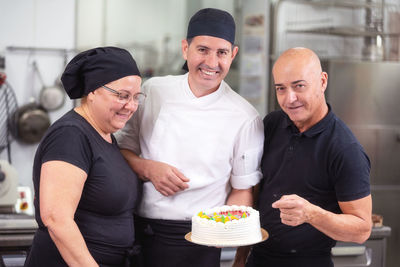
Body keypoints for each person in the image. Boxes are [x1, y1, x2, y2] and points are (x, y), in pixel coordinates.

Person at [115, 8, 264, 267]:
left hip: (199, 241)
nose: (211, 63)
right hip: (137, 229)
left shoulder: (245, 117)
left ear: (234, 55)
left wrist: (226, 231)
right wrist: (148, 168)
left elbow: (242, 189)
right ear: (185, 49)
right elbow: (120, 151)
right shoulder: (154, 91)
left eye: (222, 53)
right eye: (202, 50)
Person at [233, 47, 372, 267]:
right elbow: (257, 194)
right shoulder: (272, 124)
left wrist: (310, 214)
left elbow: (362, 229)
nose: (290, 99)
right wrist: (240, 258)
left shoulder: (345, 149)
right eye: (281, 88)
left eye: (299, 86)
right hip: (258, 259)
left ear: (323, 81)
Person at [24, 47, 144, 267]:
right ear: (93, 91)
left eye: (136, 97)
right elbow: (56, 218)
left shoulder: (104, 135)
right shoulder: (70, 135)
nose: (132, 106)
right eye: (123, 96)